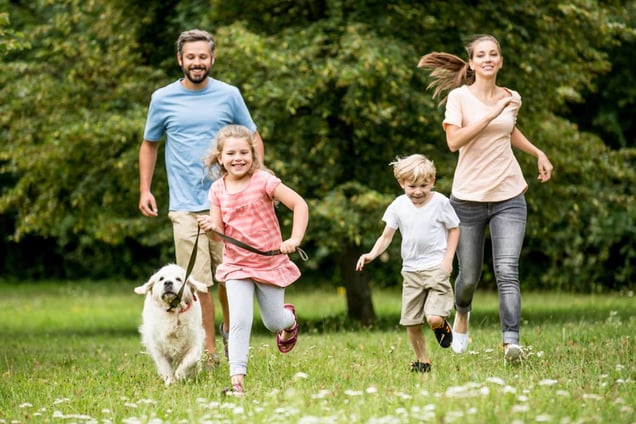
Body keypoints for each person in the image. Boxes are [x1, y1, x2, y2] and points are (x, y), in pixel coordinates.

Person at [417, 34, 554, 363]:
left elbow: (509, 130)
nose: (489, 59)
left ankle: (511, 343)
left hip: (509, 194)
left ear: (501, 61)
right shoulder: (459, 98)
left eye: (494, 53)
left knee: (507, 269)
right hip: (467, 199)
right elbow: (454, 141)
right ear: (473, 62)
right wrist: (490, 114)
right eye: (482, 54)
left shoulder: (512, 98)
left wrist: (537, 152)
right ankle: (462, 313)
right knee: (468, 278)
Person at [138, 29, 265, 366]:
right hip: (184, 206)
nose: (197, 62)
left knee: (231, 276)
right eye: (190, 57)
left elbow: (253, 138)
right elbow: (149, 144)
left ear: (212, 58)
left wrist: (260, 181)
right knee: (198, 282)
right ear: (180, 59)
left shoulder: (229, 95)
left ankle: (229, 334)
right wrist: (145, 189)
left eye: (203, 56)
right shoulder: (162, 98)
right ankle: (208, 351)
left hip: (229, 202)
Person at [197, 124, 308, 395]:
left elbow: (300, 205)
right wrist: (212, 229)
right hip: (236, 265)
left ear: (253, 154)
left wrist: (294, 239)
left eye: (244, 152)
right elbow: (219, 237)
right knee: (239, 320)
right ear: (220, 158)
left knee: (273, 322)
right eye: (231, 153)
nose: (238, 158)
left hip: (269, 263)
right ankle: (237, 382)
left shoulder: (264, 181)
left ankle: (289, 321)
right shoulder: (217, 190)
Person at [356, 154, 460, 373]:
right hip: (411, 272)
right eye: (412, 186)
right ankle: (423, 361)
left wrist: (448, 259)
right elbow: (386, 237)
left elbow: (454, 228)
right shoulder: (398, 206)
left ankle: (441, 325)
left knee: (432, 318)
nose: (418, 191)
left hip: (436, 268)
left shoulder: (441, 202)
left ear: (432, 181)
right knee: (411, 323)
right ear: (401, 183)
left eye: (424, 185)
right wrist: (371, 254)